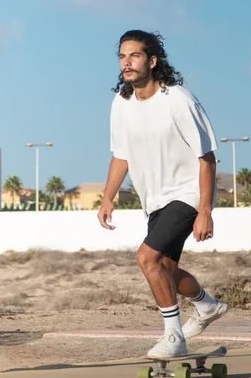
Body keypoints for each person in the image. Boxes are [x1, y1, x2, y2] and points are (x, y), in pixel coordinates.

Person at [97, 30, 229, 359]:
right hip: (154, 200)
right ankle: (207, 305)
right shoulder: (121, 102)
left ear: (152, 61)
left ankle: (174, 336)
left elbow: (207, 157)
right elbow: (121, 155)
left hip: (186, 194)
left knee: (147, 258)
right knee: (166, 270)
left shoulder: (179, 100)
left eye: (135, 56)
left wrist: (204, 210)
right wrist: (107, 197)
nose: (126, 63)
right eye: (122, 57)